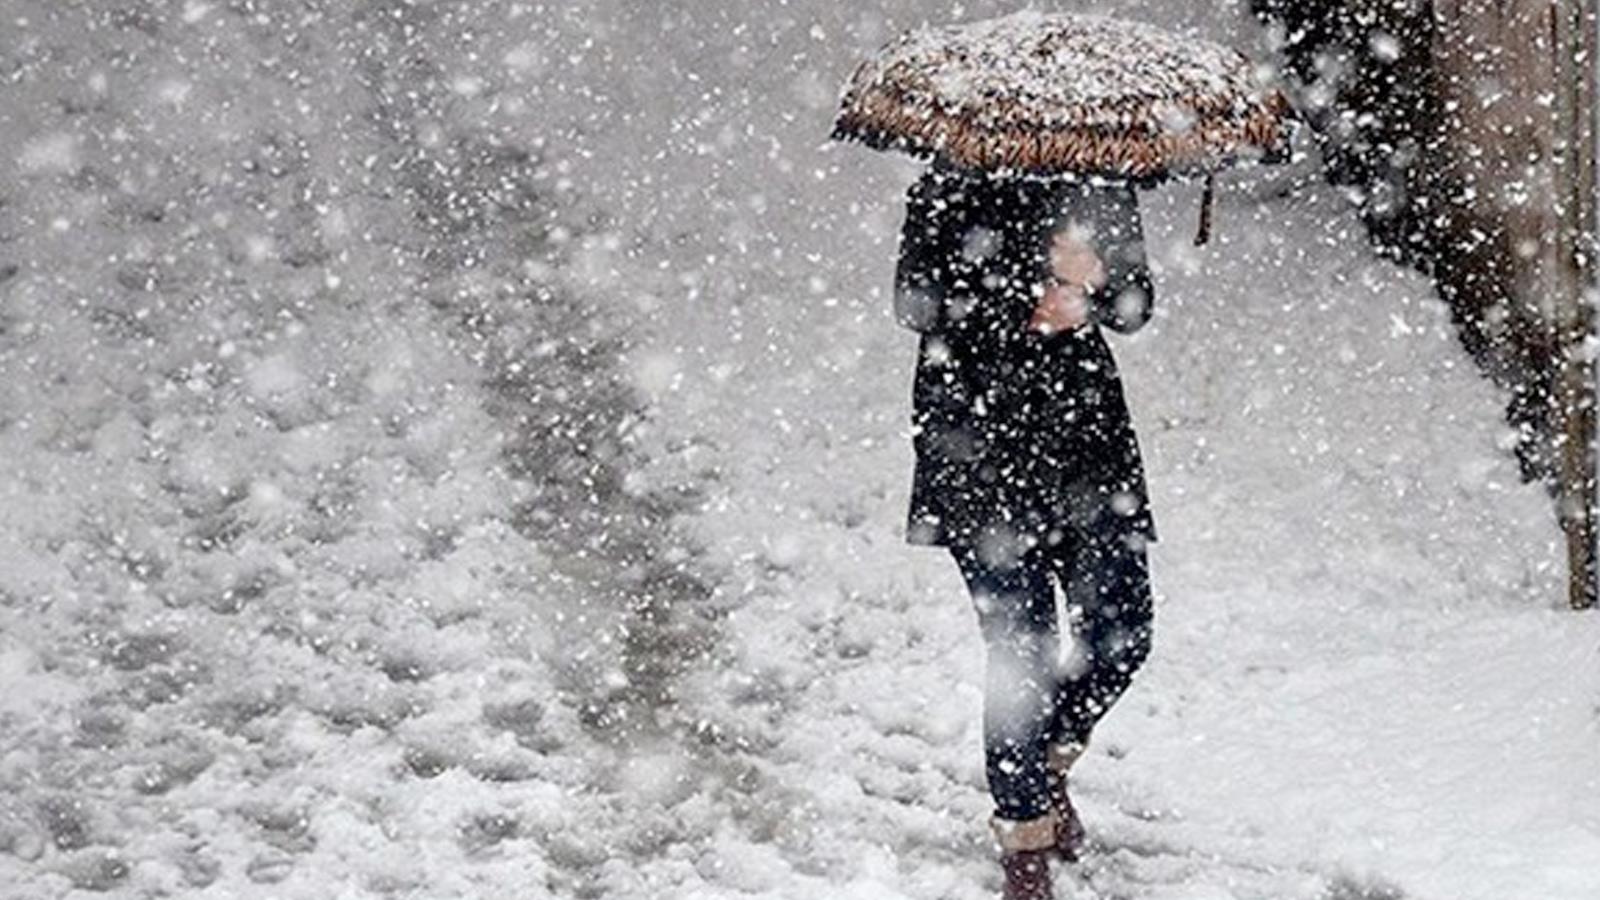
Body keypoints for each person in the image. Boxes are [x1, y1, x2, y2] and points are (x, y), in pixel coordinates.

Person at [893, 159, 1158, 900]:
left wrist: (1096, 283)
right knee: (1023, 653)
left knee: (1122, 631)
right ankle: (1024, 842)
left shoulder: (1101, 180)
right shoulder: (948, 183)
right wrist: (1031, 290)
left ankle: (1043, 764)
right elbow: (916, 303)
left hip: (1087, 450)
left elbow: (1136, 306)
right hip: (978, 450)